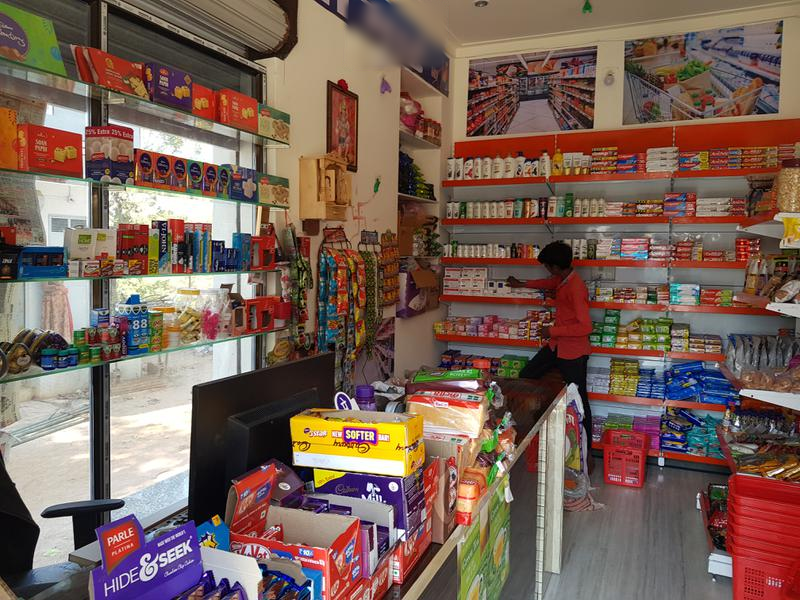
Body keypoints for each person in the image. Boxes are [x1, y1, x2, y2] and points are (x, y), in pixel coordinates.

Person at [507, 241, 593, 446]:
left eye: (547, 266)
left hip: (572, 351)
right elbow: (549, 283)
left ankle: (586, 448)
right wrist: (522, 284)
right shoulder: (562, 279)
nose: (546, 270)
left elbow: (585, 327)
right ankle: (539, 422)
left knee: (579, 399)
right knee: (527, 375)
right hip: (557, 346)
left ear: (555, 267)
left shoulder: (575, 288)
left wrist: (551, 331)